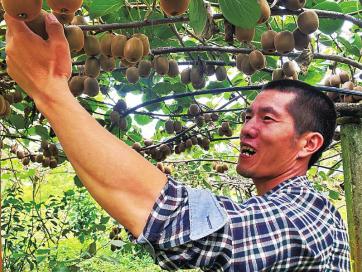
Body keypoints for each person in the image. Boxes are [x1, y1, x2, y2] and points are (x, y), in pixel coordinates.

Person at [4, 12, 350, 271]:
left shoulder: (311, 213)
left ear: (309, 144)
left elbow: (178, 220)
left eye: (268, 118)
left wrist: (49, 89)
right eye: (247, 116)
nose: (246, 128)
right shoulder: (274, 205)